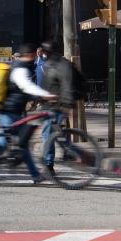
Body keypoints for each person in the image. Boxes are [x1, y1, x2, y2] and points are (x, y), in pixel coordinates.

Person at [0, 44, 55, 184]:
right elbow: (25, 86)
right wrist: (45, 95)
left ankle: (35, 175)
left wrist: (37, 97)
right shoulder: (19, 68)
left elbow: (22, 91)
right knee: (2, 143)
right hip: (9, 113)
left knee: (22, 144)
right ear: (28, 54)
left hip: (14, 112)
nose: (33, 57)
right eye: (32, 55)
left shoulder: (20, 67)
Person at [39, 40, 81, 177]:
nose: (43, 53)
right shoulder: (50, 64)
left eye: (45, 50)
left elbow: (67, 86)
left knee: (48, 136)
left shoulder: (61, 65)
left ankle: (48, 166)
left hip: (57, 106)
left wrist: (66, 106)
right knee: (54, 136)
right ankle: (79, 155)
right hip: (48, 106)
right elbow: (47, 86)